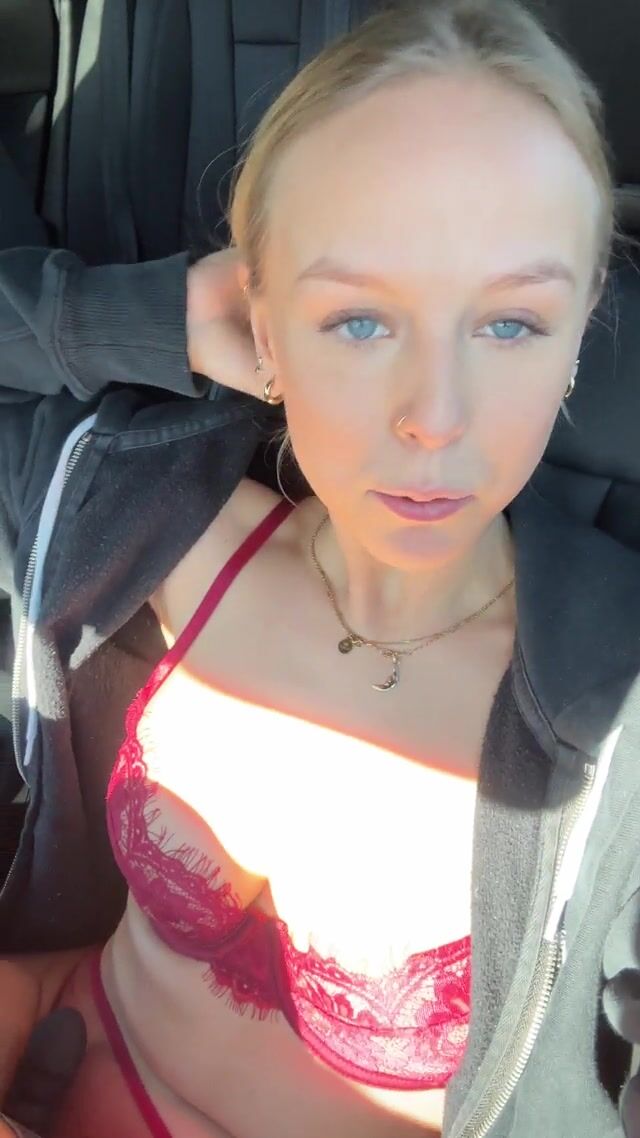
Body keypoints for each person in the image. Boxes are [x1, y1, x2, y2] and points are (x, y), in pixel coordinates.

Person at [1, 0, 640, 1135]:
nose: (435, 419)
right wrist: (151, 321)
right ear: (264, 323)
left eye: (509, 325)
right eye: (357, 322)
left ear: (584, 320)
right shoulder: (157, 527)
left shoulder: (612, 713)